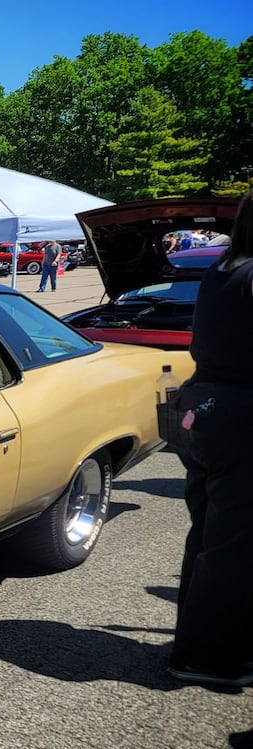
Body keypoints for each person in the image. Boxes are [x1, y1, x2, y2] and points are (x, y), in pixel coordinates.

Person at [169, 191, 253, 687]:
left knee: (208, 531)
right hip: (241, 412)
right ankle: (209, 656)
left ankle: (196, 640)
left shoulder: (223, 269)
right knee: (234, 545)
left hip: (203, 408)